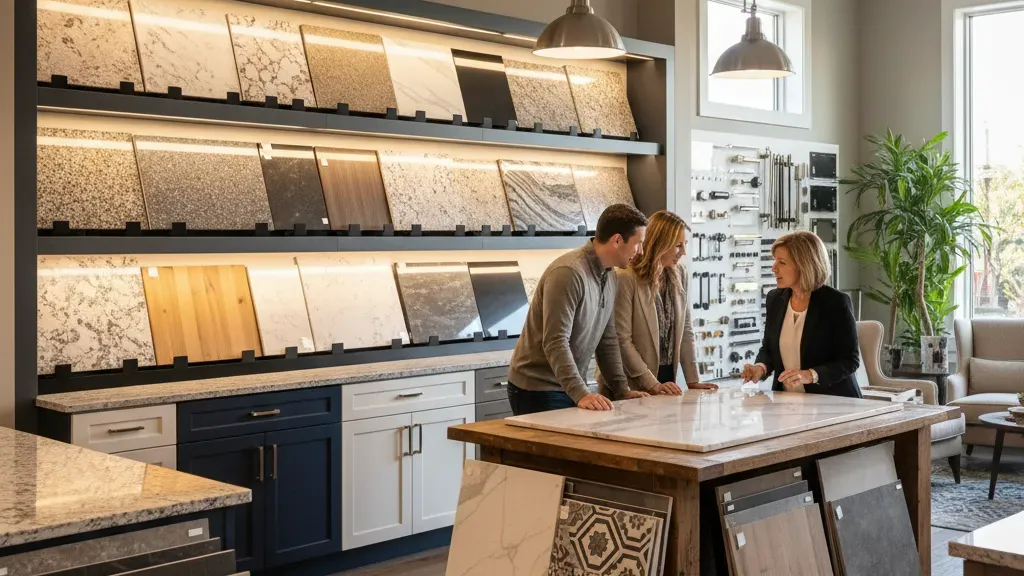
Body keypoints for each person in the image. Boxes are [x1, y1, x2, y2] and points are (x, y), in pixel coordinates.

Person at [507, 204, 651, 415]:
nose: (641, 251)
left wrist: (622, 390)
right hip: (537, 389)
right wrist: (581, 393)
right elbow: (555, 341)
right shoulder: (569, 273)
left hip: (569, 387)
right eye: (638, 243)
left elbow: (607, 339)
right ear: (617, 240)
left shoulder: (609, 274)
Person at [598, 211, 718, 397]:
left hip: (666, 380)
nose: (683, 252)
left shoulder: (680, 273)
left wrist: (693, 380)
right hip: (629, 385)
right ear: (660, 243)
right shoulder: (626, 277)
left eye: (685, 245)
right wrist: (651, 383)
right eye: (678, 245)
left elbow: (686, 329)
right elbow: (622, 339)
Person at [741, 231, 862, 397]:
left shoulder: (835, 302)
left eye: (782, 262)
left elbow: (850, 361)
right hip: (786, 403)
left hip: (831, 402)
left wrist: (810, 375)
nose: (774, 268)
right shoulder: (774, 299)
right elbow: (769, 349)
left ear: (804, 265)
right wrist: (760, 367)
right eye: (774, 260)